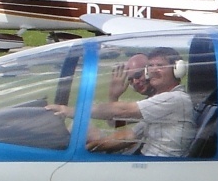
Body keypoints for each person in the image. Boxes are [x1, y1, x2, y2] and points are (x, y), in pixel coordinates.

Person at [50, 46, 194, 157]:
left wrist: (69, 110)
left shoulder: (174, 99)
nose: (153, 70)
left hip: (156, 166)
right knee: (80, 127)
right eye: (150, 66)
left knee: (79, 125)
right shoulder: (157, 103)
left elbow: (122, 111)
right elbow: (128, 134)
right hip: (146, 159)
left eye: (160, 65)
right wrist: (94, 146)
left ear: (177, 69)